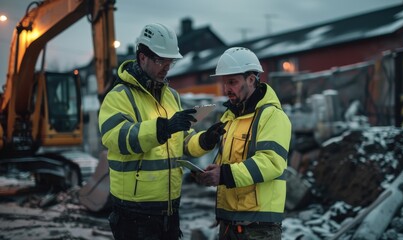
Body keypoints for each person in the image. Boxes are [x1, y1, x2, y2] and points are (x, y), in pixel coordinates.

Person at [98, 23, 225, 240]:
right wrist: (163, 127)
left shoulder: (171, 96)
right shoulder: (119, 96)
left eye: (170, 61)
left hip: (169, 208)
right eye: (160, 60)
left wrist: (205, 140)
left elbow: (182, 142)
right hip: (134, 212)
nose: (166, 67)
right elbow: (117, 138)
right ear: (142, 57)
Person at [193, 47, 292, 240]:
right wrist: (215, 171)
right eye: (225, 82)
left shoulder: (272, 115)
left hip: (258, 228)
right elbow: (233, 161)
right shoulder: (231, 117)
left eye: (232, 82)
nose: (226, 88)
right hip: (229, 222)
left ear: (251, 80)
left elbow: (271, 163)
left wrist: (224, 174)